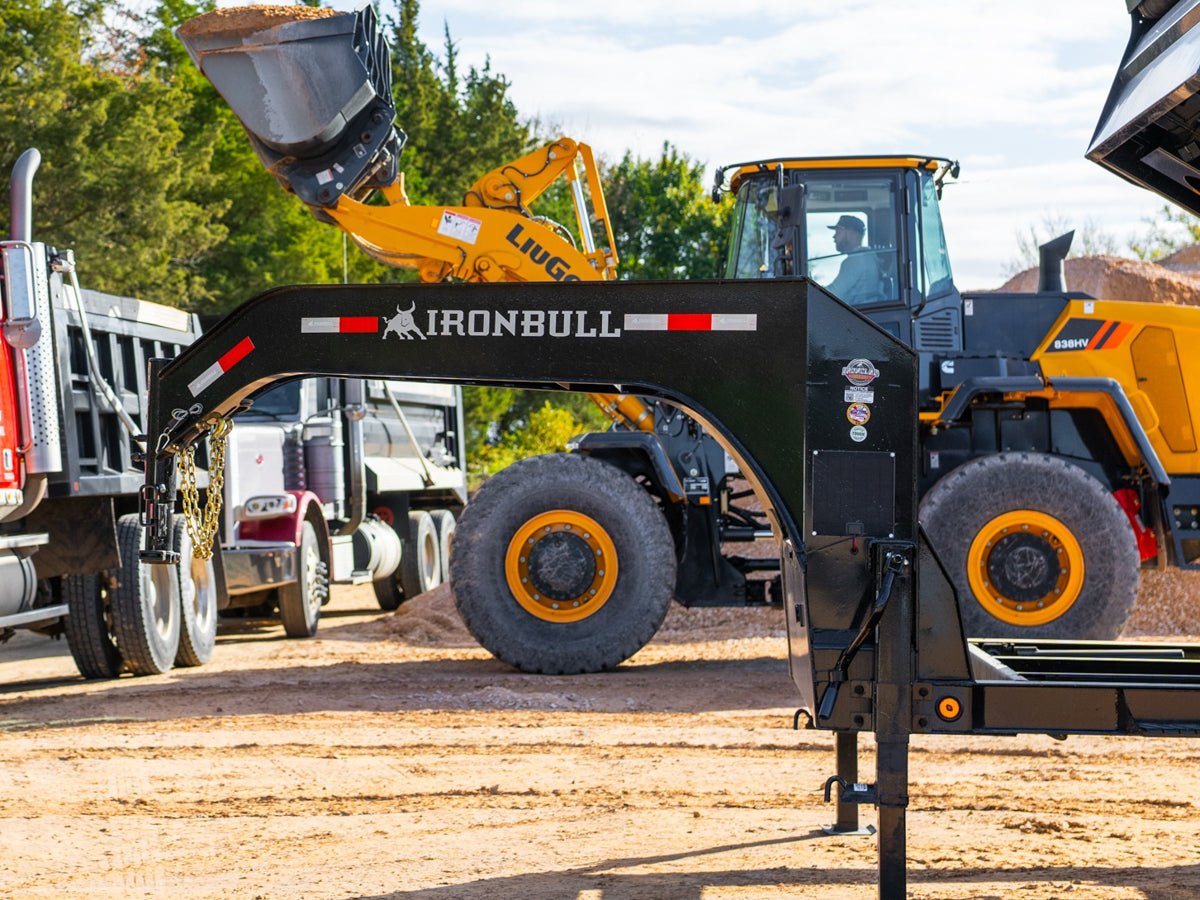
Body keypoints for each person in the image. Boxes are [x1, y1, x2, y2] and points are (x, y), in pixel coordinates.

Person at [824, 214, 883, 304]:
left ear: (851, 234)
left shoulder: (855, 260)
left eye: (838, 233)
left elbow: (833, 294)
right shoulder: (868, 256)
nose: (834, 237)